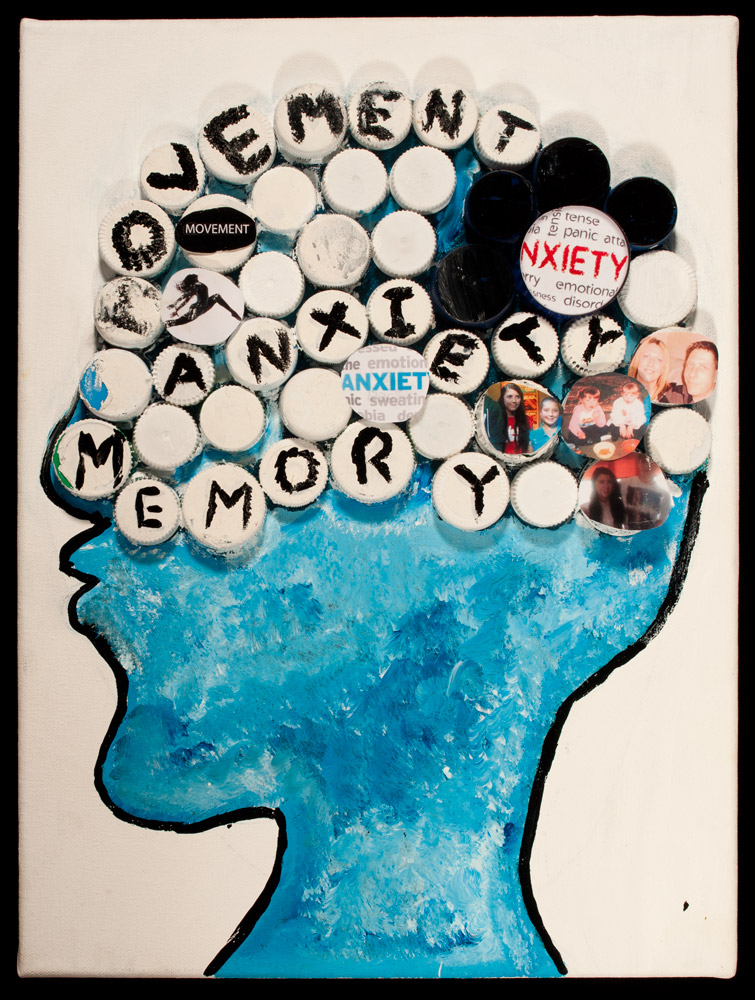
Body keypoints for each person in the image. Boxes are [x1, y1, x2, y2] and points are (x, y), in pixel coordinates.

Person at [166, 272, 242, 327]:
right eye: (192, 275)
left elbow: (186, 299)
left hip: (204, 305)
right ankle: (168, 324)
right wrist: (175, 305)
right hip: (198, 307)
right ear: (192, 279)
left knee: (216, 296)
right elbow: (185, 297)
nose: (194, 274)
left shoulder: (197, 285)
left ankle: (233, 312)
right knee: (179, 321)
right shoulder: (196, 285)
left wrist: (177, 309)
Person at [659, 340, 718, 405]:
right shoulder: (675, 394)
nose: (692, 374)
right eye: (690, 364)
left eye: (703, 367)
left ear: (716, 375)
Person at [484, 382, 533, 455]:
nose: (514, 401)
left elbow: (529, 446)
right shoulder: (495, 419)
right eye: (509, 397)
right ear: (502, 398)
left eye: (517, 397)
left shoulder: (527, 420)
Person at [627, 337, 671, 402]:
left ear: (663, 367)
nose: (651, 364)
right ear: (637, 359)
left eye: (659, 360)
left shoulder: (670, 400)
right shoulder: (618, 391)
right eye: (646, 356)